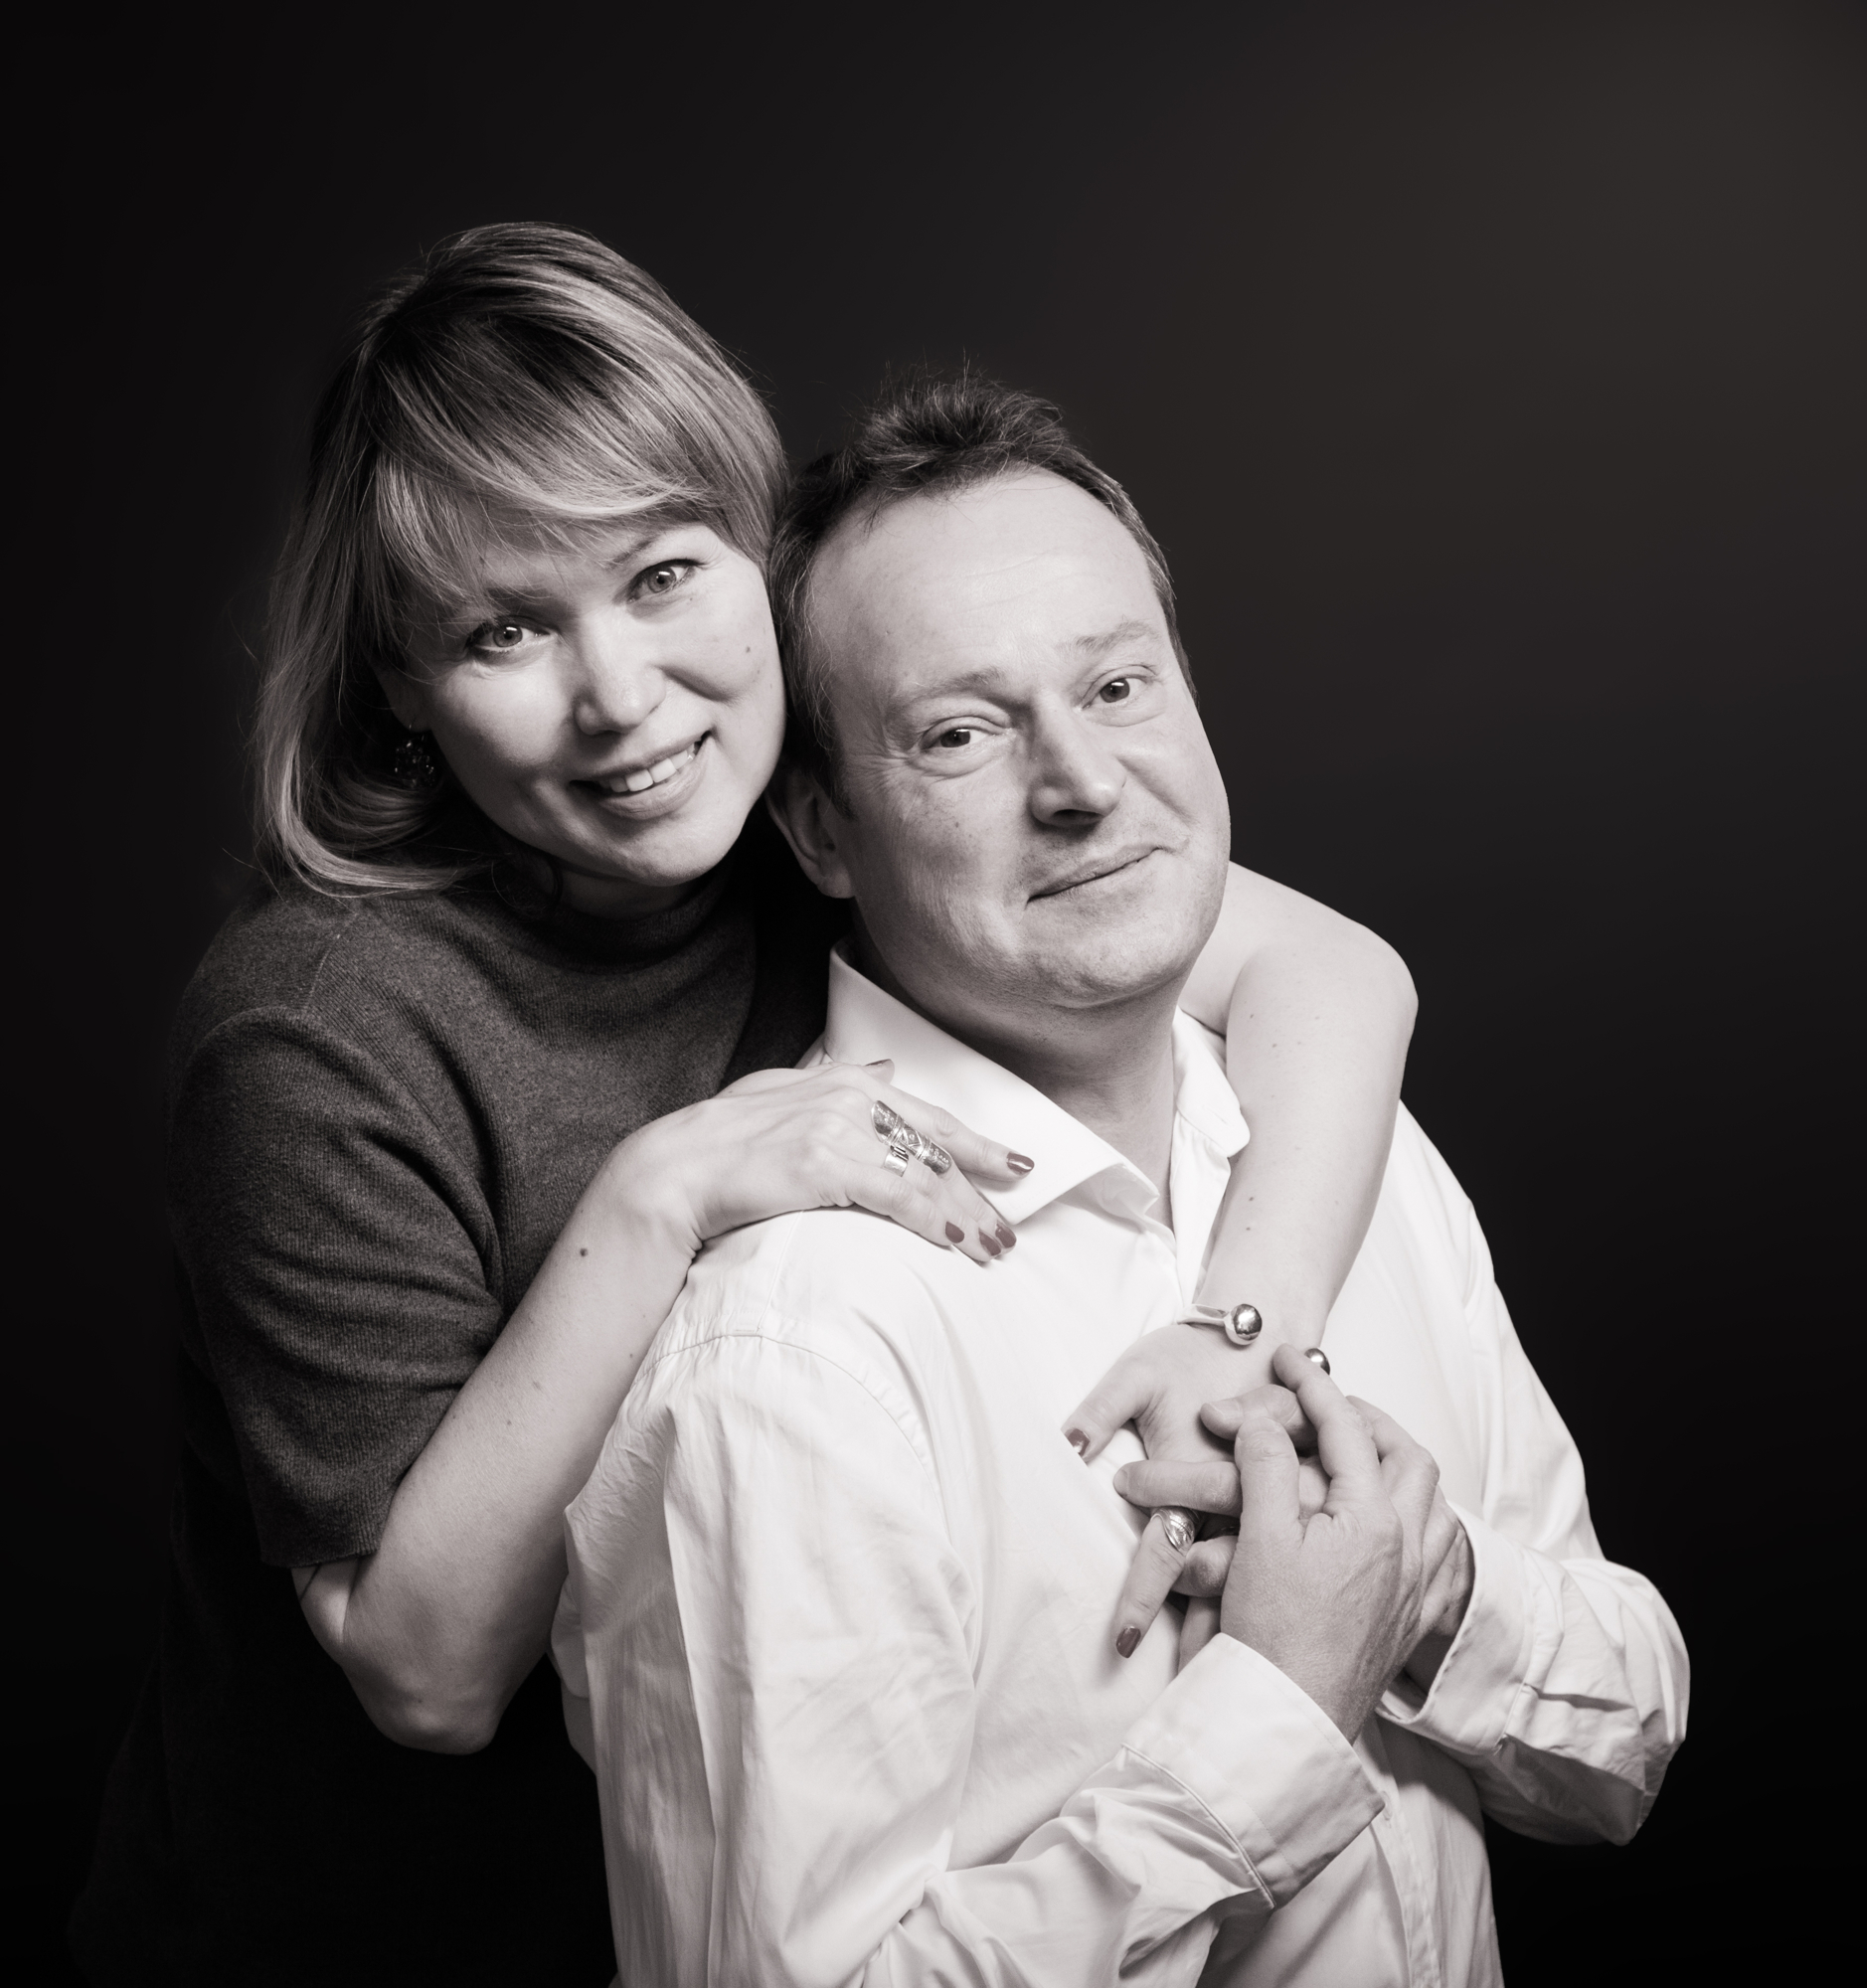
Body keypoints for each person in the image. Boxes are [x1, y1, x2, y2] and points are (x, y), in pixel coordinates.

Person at [72, 227, 1418, 1985]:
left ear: (753, 558)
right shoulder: (313, 1034)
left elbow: (1340, 975)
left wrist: (1242, 1328)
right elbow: (424, 1671)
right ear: (400, 687)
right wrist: (666, 1190)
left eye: (660, 576)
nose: (620, 700)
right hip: (370, 1935)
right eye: (502, 630)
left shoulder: (832, 834)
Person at [555, 374, 1690, 1985]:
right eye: (960, 732)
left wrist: (1429, 1598)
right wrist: (1281, 1711)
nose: (1081, 781)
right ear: (819, 829)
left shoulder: (1354, 1159)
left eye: (1120, 684)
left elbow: (1629, 1738)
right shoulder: (804, 1348)